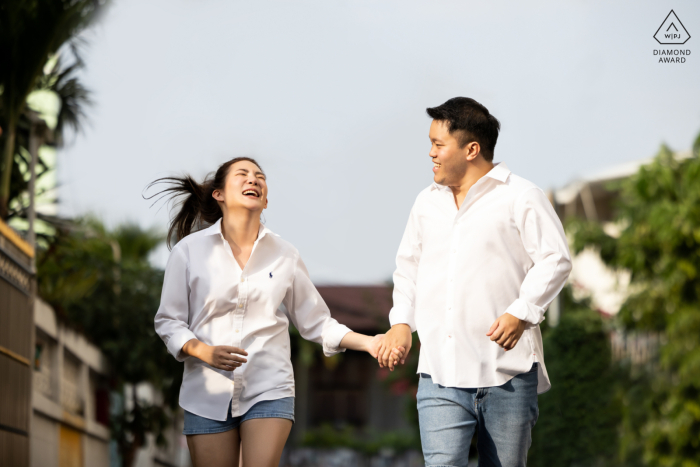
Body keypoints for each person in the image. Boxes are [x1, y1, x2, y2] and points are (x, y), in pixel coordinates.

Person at [152, 157, 398, 467]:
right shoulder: (188, 251)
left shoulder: (285, 254)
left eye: (260, 177)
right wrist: (203, 351)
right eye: (242, 175)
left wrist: (370, 343)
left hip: (269, 386)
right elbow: (168, 320)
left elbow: (317, 321)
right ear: (219, 194)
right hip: (206, 390)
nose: (253, 180)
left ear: (265, 199)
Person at [376, 98, 572, 467]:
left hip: (507, 374)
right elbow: (407, 269)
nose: (430, 153)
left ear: (471, 149)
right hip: (440, 373)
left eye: (438, 144)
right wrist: (401, 322)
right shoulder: (425, 203)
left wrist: (521, 312)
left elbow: (556, 258)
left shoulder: (521, 196)